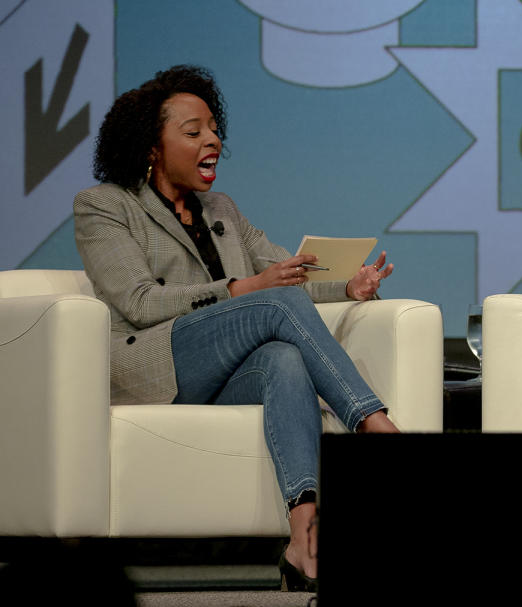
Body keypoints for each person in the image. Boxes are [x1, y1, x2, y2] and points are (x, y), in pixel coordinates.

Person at [74, 65, 399, 592]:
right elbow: (137, 301)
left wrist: (347, 288)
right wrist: (238, 289)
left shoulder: (220, 208)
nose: (213, 141)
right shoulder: (105, 206)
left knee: (283, 359)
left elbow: (285, 277)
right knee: (272, 306)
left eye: (213, 128)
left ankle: (303, 543)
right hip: (152, 366)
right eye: (194, 131)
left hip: (216, 375)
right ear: (151, 147)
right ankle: (376, 427)